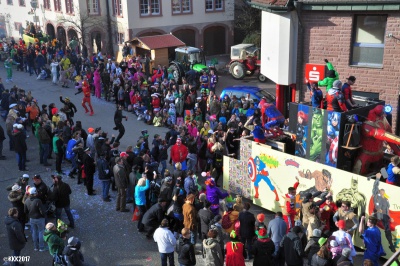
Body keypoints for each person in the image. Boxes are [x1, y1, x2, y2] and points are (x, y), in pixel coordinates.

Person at [24, 187, 47, 252]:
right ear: (34, 193)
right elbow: (42, 211)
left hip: (32, 219)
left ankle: (35, 247)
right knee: (41, 232)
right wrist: (44, 216)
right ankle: (41, 247)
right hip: (39, 218)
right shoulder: (38, 201)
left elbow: (25, 211)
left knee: (34, 232)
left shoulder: (26, 200)